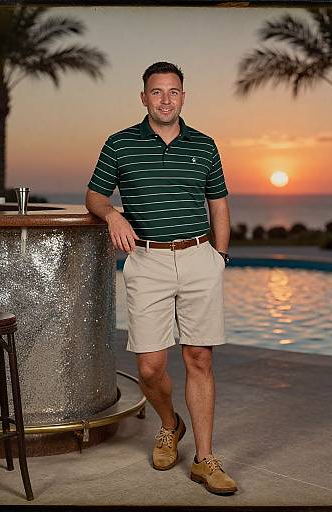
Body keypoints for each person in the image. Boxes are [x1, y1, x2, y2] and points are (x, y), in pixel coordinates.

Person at [85, 61, 236, 495]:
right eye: (157, 91)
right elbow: (94, 194)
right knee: (150, 368)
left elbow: (219, 203)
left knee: (199, 359)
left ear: (183, 96)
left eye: (173, 91)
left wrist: (219, 257)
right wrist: (112, 212)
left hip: (198, 257)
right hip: (146, 261)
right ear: (144, 97)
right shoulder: (119, 144)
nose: (165, 99)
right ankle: (170, 425)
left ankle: (205, 460)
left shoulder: (205, 146)